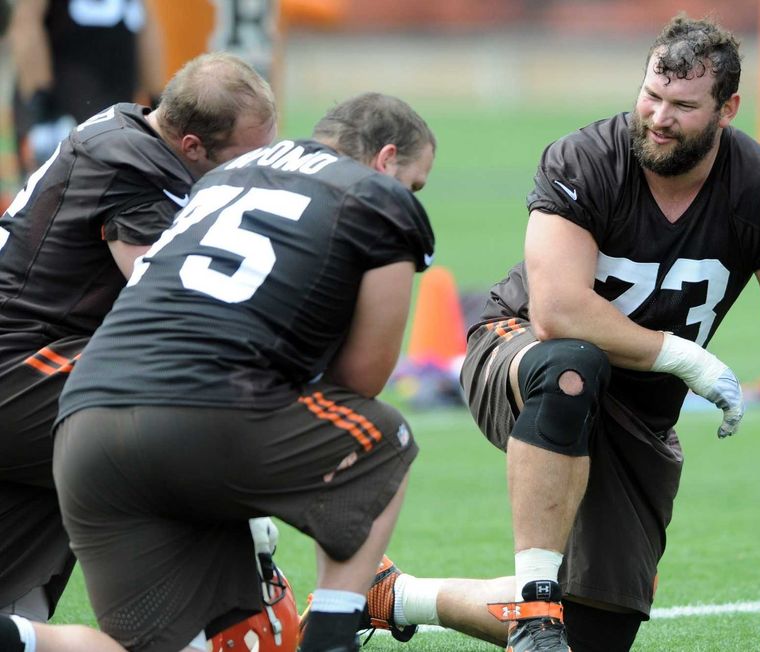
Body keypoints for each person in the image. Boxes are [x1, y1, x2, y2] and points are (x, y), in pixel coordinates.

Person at [371, 14, 760, 652]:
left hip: (639, 407)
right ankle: (535, 609)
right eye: (652, 94)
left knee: (593, 636)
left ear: (728, 109)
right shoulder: (585, 159)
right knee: (570, 365)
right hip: (518, 346)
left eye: (683, 105)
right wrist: (686, 359)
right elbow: (558, 309)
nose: (659, 117)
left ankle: (398, 595)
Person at [0, 91, 437, 652]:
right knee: (384, 437)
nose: (413, 195)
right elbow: (363, 378)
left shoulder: (214, 179)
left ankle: (21, 636)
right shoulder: (377, 197)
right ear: (385, 159)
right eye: (415, 183)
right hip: (188, 407)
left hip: (81, 415)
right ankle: (333, 629)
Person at [0, 52, 277, 624]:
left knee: (14, 609)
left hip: (39, 360)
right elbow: (167, 303)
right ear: (194, 145)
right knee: (170, 410)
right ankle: (220, 610)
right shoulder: (132, 165)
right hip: (19, 361)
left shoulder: (133, 131)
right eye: (249, 157)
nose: (258, 172)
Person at [7, 0, 163, 178]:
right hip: (66, 110)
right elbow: (26, 23)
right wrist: (40, 102)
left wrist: (156, 98)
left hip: (106, 114)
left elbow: (146, 28)